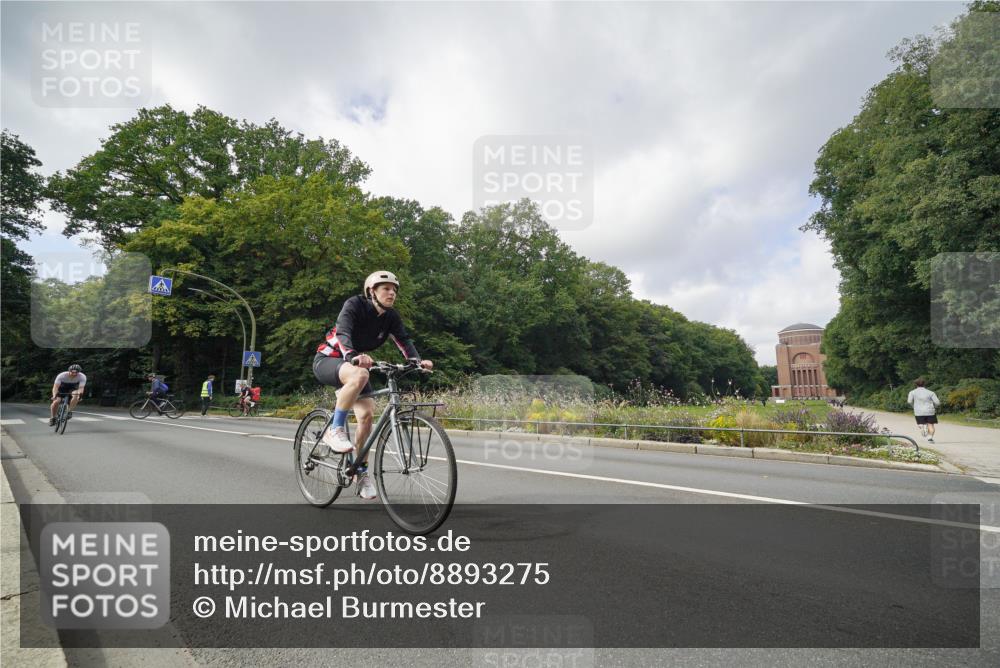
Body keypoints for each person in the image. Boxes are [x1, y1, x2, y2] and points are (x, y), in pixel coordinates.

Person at [313, 270, 433, 500]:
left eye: (394, 290)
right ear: (371, 291)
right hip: (329, 360)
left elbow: (404, 340)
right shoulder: (355, 305)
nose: (392, 293)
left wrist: (417, 362)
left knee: (367, 416)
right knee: (361, 375)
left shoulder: (390, 317)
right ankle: (334, 429)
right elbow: (343, 332)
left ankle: (360, 472)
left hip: (355, 366)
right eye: (386, 288)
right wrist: (351, 355)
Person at [907, 377, 941, 443]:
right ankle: (930, 438)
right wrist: (934, 406)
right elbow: (937, 402)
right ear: (924, 384)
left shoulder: (912, 392)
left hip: (918, 411)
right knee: (931, 425)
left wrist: (913, 406)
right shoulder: (931, 392)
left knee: (920, 423)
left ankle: (922, 427)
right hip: (930, 411)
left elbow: (909, 401)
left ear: (916, 384)